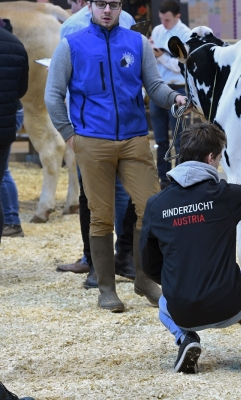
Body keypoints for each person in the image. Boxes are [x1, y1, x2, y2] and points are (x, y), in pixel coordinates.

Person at [45, 0, 188, 312]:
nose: (107, 10)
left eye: (113, 4)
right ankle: (106, 288)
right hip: (91, 140)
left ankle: (143, 278)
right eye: (100, 4)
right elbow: (53, 94)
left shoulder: (136, 42)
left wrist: (175, 97)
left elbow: (154, 86)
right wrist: (69, 134)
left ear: (121, 7)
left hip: (135, 138)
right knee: (101, 215)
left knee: (150, 208)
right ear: (91, 7)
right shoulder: (71, 45)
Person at [140, 122, 241, 373]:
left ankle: (186, 338)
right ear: (209, 158)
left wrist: (180, 283)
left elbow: (149, 265)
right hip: (228, 307)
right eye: (218, 158)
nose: (218, 164)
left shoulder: (156, 205)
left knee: (165, 301)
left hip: (182, 312)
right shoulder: (224, 195)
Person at [55, 0, 137, 285]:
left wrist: (69, 131)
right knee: (123, 194)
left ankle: (94, 261)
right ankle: (123, 258)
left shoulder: (71, 25)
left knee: (91, 196)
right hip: (119, 125)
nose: (106, 10)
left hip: (91, 126)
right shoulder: (125, 19)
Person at [149, 0, 191, 189]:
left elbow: (182, 65)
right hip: (158, 88)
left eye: (167, 20)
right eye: (161, 19)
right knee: (159, 138)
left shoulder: (186, 34)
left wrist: (161, 56)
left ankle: (179, 178)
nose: (163, 23)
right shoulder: (157, 31)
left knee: (179, 138)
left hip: (179, 88)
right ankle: (164, 178)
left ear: (177, 17)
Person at [0, 17, 28, 247]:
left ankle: (12, 218)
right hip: (5, 126)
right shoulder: (16, 44)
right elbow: (21, 89)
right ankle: (10, 219)